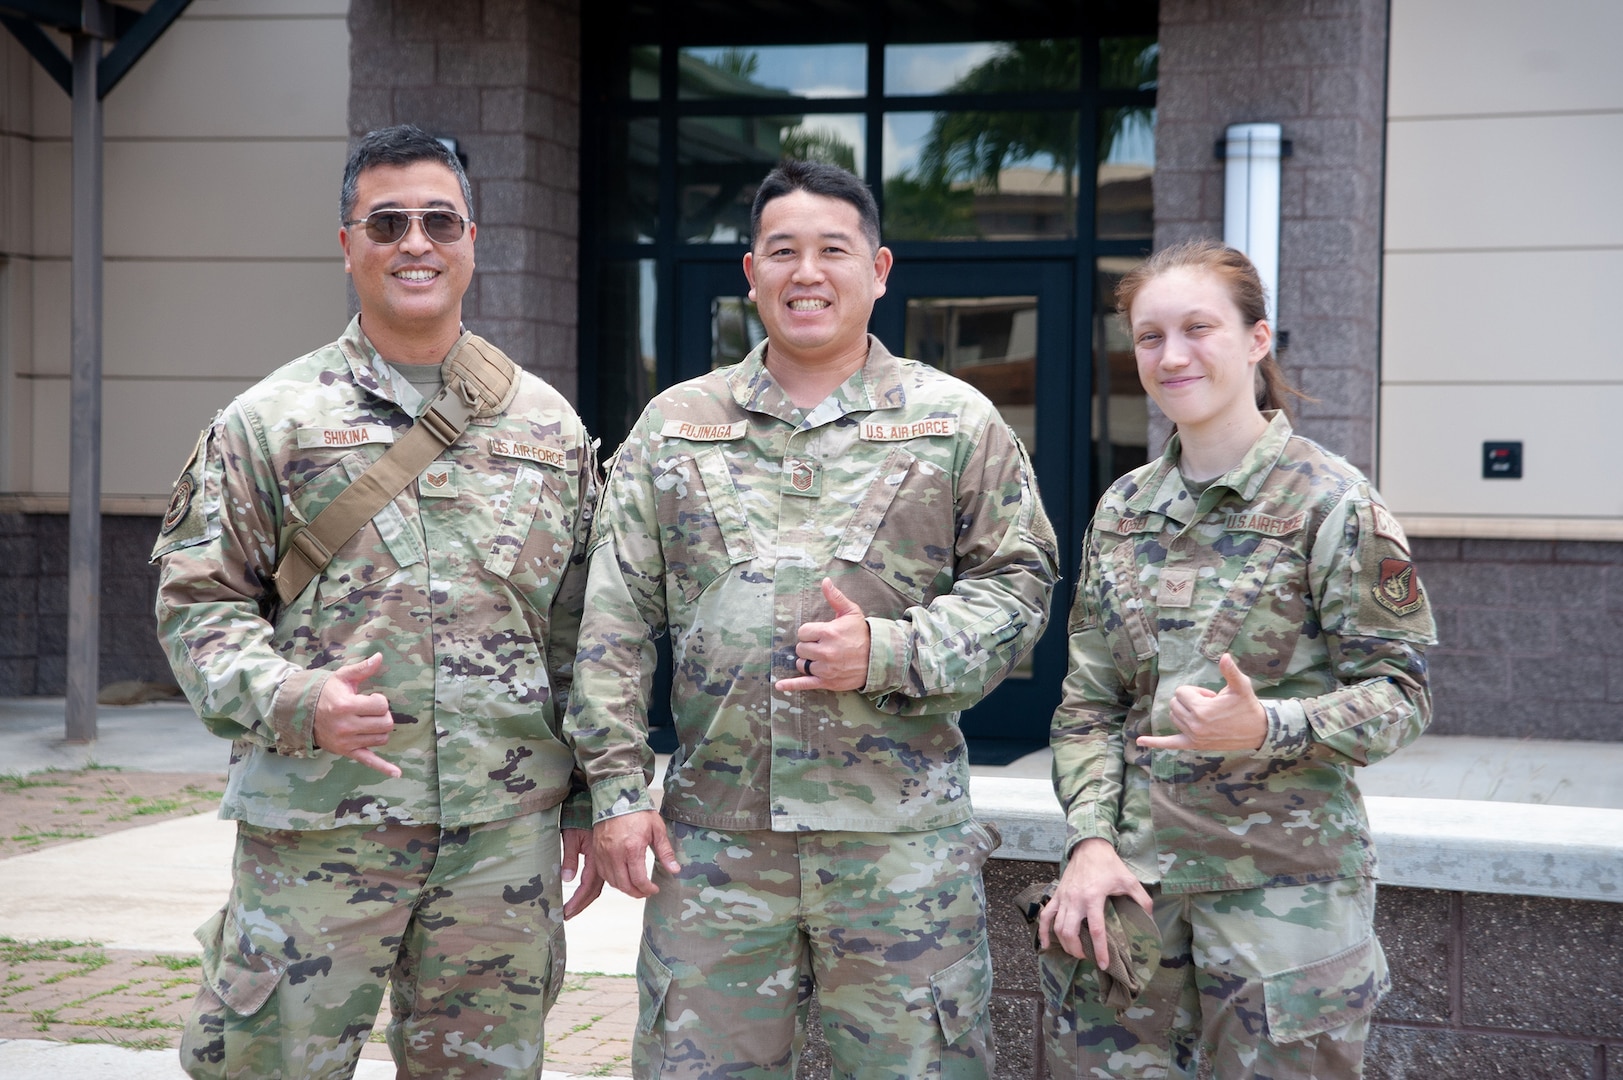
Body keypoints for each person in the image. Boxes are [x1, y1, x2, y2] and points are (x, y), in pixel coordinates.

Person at [567, 159, 1060, 1079]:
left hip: (898, 848)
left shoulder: (954, 422)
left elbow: (1020, 588)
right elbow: (613, 620)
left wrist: (893, 650)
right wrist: (616, 792)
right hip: (713, 847)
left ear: (877, 269)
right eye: (781, 251)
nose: (807, 273)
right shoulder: (677, 425)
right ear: (749, 273)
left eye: (832, 251)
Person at [151, 124, 601, 1080]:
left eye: (439, 220)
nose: (415, 243)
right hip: (320, 830)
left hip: (498, 840)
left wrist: (593, 803)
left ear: (473, 239)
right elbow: (199, 608)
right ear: (346, 243)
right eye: (386, 221)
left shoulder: (548, 425)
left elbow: (583, 632)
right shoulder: (269, 421)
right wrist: (293, 700)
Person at [1036, 238, 1437, 1078]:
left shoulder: (1332, 502)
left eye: (1197, 328)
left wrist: (1270, 727)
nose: (1172, 355)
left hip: (1280, 910)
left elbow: (1400, 693)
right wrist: (1088, 843)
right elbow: (1088, 707)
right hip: (1132, 904)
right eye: (1150, 336)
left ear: (1257, 339)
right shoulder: (1122, 510)